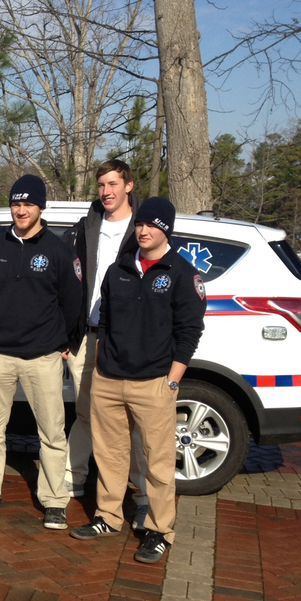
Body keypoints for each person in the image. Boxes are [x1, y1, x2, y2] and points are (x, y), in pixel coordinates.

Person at [71, 198, 206, 563]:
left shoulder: (182, 273)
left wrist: (172, 381)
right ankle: (108, 517)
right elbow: (107, 323)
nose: (144, 231)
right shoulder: (118, 270)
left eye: (153, 225)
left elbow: (190, 332)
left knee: (158, 463)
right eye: (141, 224)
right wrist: (101, 368)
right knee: (111, 455)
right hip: (110, 380)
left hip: (154, 383)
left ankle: (160, 531)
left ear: (167, 230)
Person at [0, 174, 82, 530]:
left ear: (40, 207)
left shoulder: (59, 251)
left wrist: (61, 342)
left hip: (42, 356)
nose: (21, 209)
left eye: (28, 204)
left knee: (51, 433)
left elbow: (72, 304)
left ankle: (54, 500)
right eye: (16, 203)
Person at [64, 159, 150, 527]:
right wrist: (69, 333)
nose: (106, 191)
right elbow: (71, 284)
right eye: (101, 185)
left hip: (126, 340)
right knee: (85, 413)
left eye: (113, 183)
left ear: (128, 185)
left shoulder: (142, 230)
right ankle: (72, 478)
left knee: (133, 420)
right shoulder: (86, 227)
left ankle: (144, 491)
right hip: (88, 334)